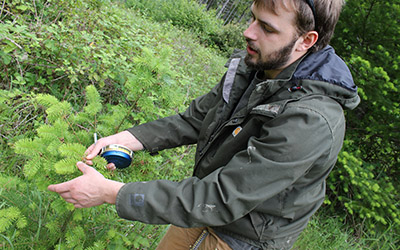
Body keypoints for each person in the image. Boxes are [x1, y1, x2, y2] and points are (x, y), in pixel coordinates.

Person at [48, 0, 360, 249]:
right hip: (197, 210)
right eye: (253, 18)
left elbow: (223, 197)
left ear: (306, 40)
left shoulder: (311, 120)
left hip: (241, 238)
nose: (249, 32)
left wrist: (111, 193)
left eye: (266, 27)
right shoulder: (258, 67)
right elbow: (196, 119)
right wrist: (129, 138)